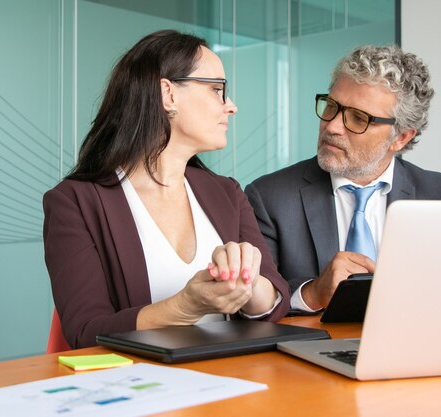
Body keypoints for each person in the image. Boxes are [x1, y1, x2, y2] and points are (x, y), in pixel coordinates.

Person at [43, 30, 289, 349]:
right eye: (217, 89)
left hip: (233, 382)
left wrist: (247, 280)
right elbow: (86, 331)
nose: (231, 106)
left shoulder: (227, 193)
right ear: (168, 94)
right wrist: (187, 306)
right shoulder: (75, 202)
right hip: (141, 389)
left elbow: (275, 303)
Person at [245, 45, 441, 312]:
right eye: (331, 106)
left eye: (358, 118)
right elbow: (253, 309)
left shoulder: (439, 193)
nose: (332, 126)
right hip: (312, 350)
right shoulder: (269, 197)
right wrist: (312, 294)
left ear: (401, 137)